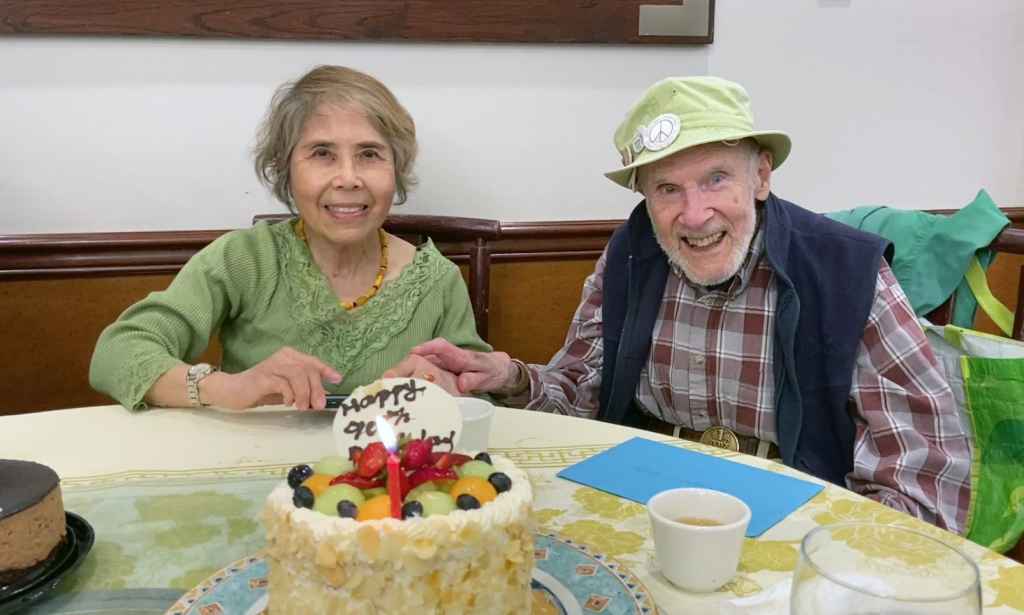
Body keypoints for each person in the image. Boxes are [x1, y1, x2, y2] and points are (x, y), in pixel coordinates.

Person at [387, 76, 972, 534]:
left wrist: (838, 559)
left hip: (799, 509)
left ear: (761, 176)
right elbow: (578, 396)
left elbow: (923, 475)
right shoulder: (630, 255)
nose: (693, 215)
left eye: (716, 179)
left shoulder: (848, 272)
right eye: (668, 189)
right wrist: (510, 377)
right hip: (640, 492)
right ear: (645, 195)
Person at [90, 65, 486, 411]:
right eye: (322, 153)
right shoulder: (244, 259)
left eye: (369, 154)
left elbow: (482, 401)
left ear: (395, 170)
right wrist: (229, 388)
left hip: (389, 489)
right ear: (285, 170)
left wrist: (453, 391)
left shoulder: (438, 280)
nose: (348, 178)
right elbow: (117, 353)